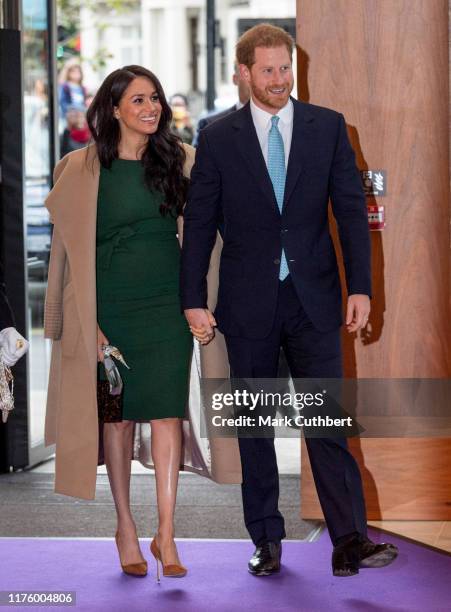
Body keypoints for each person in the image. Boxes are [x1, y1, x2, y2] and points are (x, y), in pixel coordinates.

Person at [180, 24, 398, 578]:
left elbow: (350, 213)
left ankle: (349, 540)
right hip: (247, 304)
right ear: (244, 72)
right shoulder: (217, 134)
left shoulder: (327, 127)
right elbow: (200, 222)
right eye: (269, 70)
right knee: (255, 428)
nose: (280, 81)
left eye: (286, 69)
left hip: (316, 302)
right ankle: (267, 539)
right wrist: (194, 299)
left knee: (328, 425)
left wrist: (361, 288)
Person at [44, 65, 200, 580]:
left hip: (166, 309)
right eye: (138, 100)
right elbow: (65, 256)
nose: (151, 108)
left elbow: (205, 237)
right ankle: (126, 526)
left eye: (154, 98)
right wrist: (84, 326)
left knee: (166, 415)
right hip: (108, 311)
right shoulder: (82, 167)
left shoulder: (182, 161)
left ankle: (168, 533)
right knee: (118, 417)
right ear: (113, 108)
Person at [193, 63, 251, 147]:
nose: (254, 80)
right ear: (235, 79)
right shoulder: (209, 125)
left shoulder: (275, 121)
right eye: (247, 73)